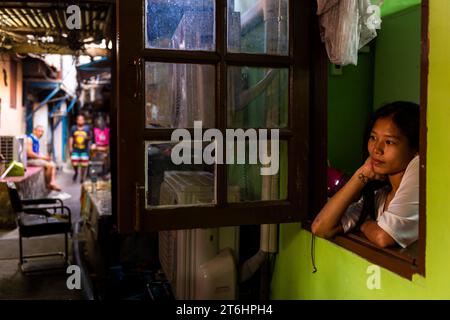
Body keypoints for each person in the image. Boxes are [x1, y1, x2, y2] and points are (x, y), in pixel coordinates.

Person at [312, 101, 420, 248]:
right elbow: (321, 228)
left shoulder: (420, 171)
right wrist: (360, 175)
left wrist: (365, 224)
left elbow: (383, 237)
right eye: (373, 138)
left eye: (389, 142)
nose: (377, 149)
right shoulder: (380, 196)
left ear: (415, 148)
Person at [26, 125, 61, 191]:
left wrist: (45, 157)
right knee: (49, 165)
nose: (41, 133)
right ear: (34, 131)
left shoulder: (36, 139)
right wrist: (43, 158)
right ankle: (48, 184)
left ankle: (53, 182)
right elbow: (30, 154)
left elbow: (37, 152)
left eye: (42, 132)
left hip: (34, 159)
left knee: (53, 164)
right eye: (39, 131)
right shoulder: (29, 139)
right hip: (29, 160)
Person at [70, 114, 91, 183]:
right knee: (74, 163)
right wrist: (70, 147)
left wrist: (86, 138)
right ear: (77, 121)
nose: (80, 121)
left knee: (83, 165)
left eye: (81, 120)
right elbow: (71, 138)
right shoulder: (73, 128)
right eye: (79, 120)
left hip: (84, 149)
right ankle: (76, 172)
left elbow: (90, 138)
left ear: (84, 121)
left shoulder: (87, 128)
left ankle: (82, 177)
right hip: (75, 149)